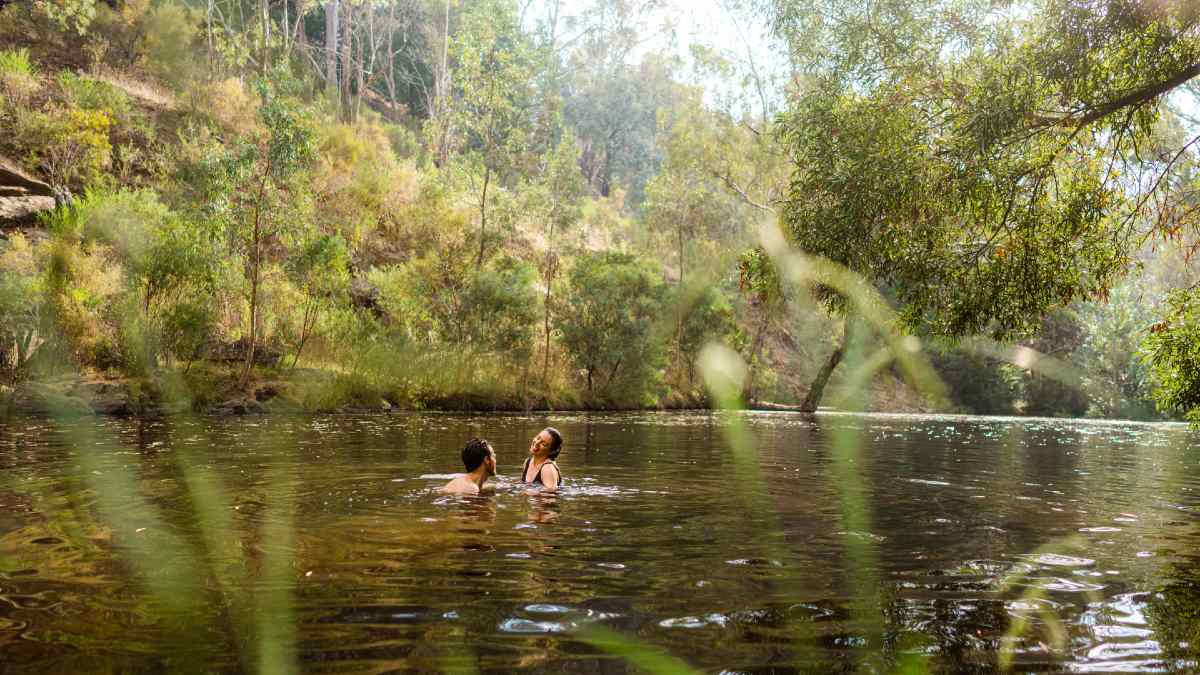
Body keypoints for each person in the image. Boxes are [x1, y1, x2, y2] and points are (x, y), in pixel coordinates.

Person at [521, 427, 562, 491]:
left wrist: (527, 492)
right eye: (538, 438)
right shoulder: (528, 462)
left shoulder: (548, 468)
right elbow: (524, 484)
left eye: (543, 444)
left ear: (551, 451)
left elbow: (551, 494)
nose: (537, 443)